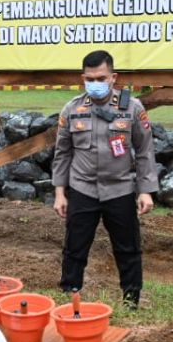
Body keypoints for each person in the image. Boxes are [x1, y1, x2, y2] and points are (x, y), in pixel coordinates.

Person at [52, 50, 159, 308]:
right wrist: (59, 193)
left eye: (101, 77)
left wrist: (145, 191)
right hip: (82, 188)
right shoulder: (72, 109)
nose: (95, 83)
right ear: (83, 78)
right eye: (90, 78)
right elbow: (62, 153)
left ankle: (131, 299)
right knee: (75, 248)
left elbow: (145, 151)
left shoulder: (132, 108)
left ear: (113, 77)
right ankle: (70, 295)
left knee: (128, 248)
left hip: (119, 189)